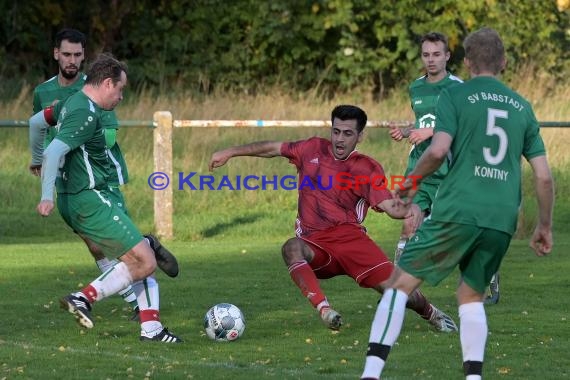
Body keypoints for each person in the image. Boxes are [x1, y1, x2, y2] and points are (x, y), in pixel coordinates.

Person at [360, 27, 554, 380]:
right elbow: (543, 176)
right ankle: (474, 377)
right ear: (504, 62)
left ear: (464, 61)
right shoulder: (523, 107)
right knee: (470, 294)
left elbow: (436, 150)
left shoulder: (456, 95)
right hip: (501, 218)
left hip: (459, 208)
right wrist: (543, 225)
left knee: (399, 285)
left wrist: (408, 186)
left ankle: (370, 374)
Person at [209, 104, 458, 333]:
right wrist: (231, 151)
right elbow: (272, 148)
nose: (339, 139)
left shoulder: (366, 167)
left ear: (360, 136)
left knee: (399, 292)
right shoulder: (311, 149)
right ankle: (325, 310)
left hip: (351, 242)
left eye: (347, 133)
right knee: (291, 248)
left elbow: (388, 206)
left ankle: (431, 313)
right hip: (315, 244)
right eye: (336, 131)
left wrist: (408, 208)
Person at [29, 29, 179, 321]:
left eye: (77, 54)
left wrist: (49, 157)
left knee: (128, 254)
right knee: (136, 256)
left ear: (84, 57)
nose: (121, 97)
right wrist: (45, 180)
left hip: (87, 189)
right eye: (120, 90)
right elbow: (50, 144)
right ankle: (89, 297)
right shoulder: (86, 108)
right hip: (90, 190)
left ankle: (149, 324)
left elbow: (40, 124)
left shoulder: (78, 101)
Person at [389, 32, 500, 305]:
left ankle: (489, 277)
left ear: (447, 56)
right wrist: (406, 132)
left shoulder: (459, 88)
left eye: (437, 54)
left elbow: (465, 126)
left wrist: (429, 132)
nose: (431, 60)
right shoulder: (416, 87)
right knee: (408, 224)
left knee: (465, 231)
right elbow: (422, 122)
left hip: (450, 171)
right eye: (426, 54)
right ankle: (396, 291)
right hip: (420, 169)